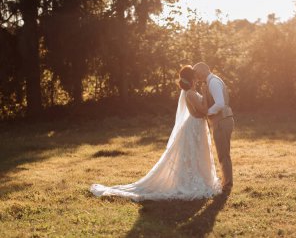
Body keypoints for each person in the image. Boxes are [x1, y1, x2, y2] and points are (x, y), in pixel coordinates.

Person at [89, 65, 222, 201]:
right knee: (192, 154)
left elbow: (200, 111)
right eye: (195, 77)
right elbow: (204, 111)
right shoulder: (191, 94)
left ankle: (197, 179)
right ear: (191, 79)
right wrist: (205, 93)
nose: (198, 79)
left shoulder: (192, 92)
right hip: (193, 127)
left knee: (197, 154)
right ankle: (191, 182)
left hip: (196, 126)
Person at [193, 62, 234, 191]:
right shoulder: (210, 81)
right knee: (222, 152)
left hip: (222, 121)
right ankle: (226, 181)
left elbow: (220, 103)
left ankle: (227, 184)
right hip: (221, 120)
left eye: (197, 73)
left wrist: (207, 113)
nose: (196, 76)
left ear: (202, 71)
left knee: (223, 154)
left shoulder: (213, 82)